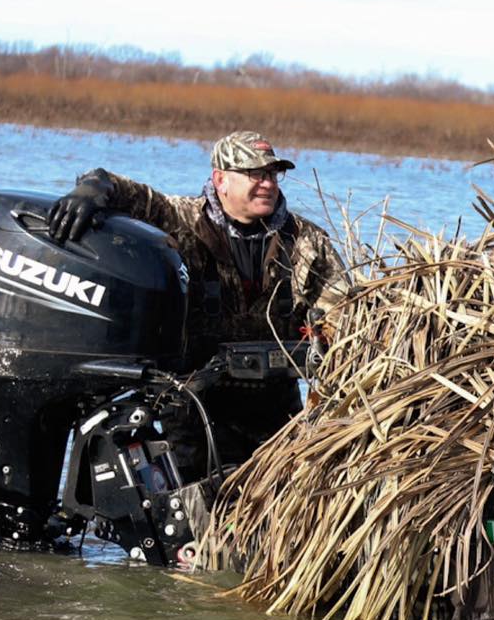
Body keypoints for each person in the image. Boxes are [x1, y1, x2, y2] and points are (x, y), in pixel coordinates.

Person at [47, 130, 346, 464]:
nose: (268, 184)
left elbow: (345, 320)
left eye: (273, 174)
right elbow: (120, 188)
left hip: (276, 415)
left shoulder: (308, 241)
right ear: (221, 180)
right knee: (194, 506)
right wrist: (91, 190)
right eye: (254, 174)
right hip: (192, 405)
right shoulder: (180, 220)